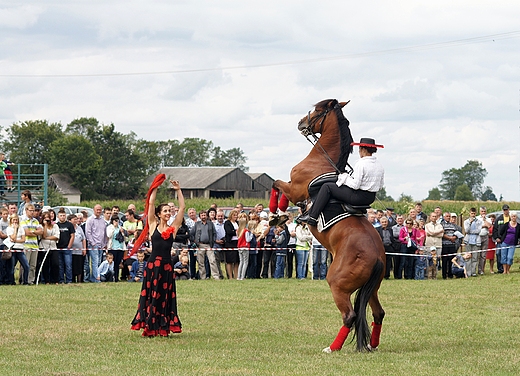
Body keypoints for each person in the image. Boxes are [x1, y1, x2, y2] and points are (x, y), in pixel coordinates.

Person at [131, 176, 185, 337]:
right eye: (166, 211)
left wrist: (178, 190)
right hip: (153, 265)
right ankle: (150, 324)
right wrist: (155, 187)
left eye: (169, 211)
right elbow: (151, 204)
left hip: (167, 267)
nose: (169, 213)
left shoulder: (173, 228)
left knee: (165, 297)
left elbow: (182, 209)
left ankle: (163, 326)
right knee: (151, 295)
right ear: (159, 214)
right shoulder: (153, 225)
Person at [300, 137, 384, 227]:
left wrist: (344, 178)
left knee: (327, 187)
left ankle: (312, 217)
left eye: (359, 149)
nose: (359, 152)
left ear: (363, 149)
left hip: (357, 197)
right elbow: (380, 186)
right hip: (370, 198)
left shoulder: (361, 163)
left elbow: (355, 185)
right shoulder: (379, 165)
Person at [191, 210, 218, 280]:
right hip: (200, 245)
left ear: (207, 216)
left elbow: (214, 233)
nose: (203, 216)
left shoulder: (210, 224)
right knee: (200, 262)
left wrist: (214, 240)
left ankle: (216, 276)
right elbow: (191, 233)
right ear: (200, 216)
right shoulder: (197, 224)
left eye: (204, 215)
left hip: (209, 245)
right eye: (202, 215)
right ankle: (202, 277)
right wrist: (195, 241)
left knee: (212, 261)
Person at [20, 204, 43, 284]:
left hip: (34, 245)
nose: (32, 212)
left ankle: (31, 280)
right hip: (26, 245)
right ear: (26, 210)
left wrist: (32, 232)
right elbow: (26, 233)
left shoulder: (36, 221)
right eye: (30, 210)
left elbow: (41, 232)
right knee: (25, 265)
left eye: (33, 210)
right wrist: (35, 232)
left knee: (33, 265)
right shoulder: (23, 221)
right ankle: (24, 280)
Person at [85, 204, 108, 282]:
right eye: (97, 209)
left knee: (98, 262)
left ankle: (93, 277)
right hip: (93, 245)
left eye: (100, 209)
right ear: (93, 210)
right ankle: (96, 279)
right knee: (95, 262)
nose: (99, 211)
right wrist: (93, 243)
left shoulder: (102, 220)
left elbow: (104, 232)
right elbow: (88, 232)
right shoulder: (90, 220)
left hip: (101, 245)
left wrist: (105, 243)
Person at [5, 214, 29, 284]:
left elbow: (23, 239)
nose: (15, 221)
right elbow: (12, 237)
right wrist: (15, 229)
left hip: (20, 249)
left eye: (16, 220)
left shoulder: (21, 228)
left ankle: (25, 281)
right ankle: (12, 281)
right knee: (12, 267)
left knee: (26, 266)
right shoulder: (9, 228)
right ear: (11, 220)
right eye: (14, 220)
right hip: (13, 249)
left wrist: (16, 240)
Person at [40, 211, 60, 284]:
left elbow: (57, 237)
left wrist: (47, 238)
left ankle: (56, 280)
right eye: (45, 218)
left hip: (53, 247)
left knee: (55, 264)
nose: (47, 220)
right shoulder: (41, 226)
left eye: (48, 218)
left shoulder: (55, 226)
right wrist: (45, 226)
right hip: (44, 247)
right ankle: (46, 281)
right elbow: (43, 235)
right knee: (45, 265)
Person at [463, 208, 482, 277]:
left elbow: (478, 231)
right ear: (469, 213)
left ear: (476, 213)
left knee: (475, 257)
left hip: (476, 241)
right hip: (468, 241)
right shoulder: (466, 222)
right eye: (472, 213)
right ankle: (468, 272)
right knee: (468, 257)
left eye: (474, 213)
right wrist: (470, 223)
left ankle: (473, 272)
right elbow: (467, 231)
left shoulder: (479, 222)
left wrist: (472, 231)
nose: (473, 215)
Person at [106, 215, 127, 282]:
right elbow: (109, 235)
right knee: (112, 263)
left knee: (117, 264)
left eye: (117, 220)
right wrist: (114, 228)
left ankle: (116, 277)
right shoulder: (110, 227)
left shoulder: (120, 227)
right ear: (112, 221)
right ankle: (111, 277)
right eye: (115, 220)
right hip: (112, 248)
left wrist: (122, 232)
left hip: (120, 248)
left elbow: (124, 238)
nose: (116, 222)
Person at [492, 204, 510, 274]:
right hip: (500, 240)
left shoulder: (511, 218)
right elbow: (495, 229)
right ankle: (500, 269)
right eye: (504, 210)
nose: (506, 211)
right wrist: (496, 238)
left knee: (507, 254)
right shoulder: (499, 219)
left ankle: (507, 269)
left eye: (507, 210)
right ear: (503, 210)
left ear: (509, 210)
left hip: (508, 239)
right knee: (498, 253)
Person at [69, 214, 86, 283]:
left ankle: (80, 280)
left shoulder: (79, 228)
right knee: (72, 266)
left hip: (79, 251)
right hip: (71, 251)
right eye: (75, 219)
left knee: (79, 266)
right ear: (70, 220)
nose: (76, 220)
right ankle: (72, 280)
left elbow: (83, 239)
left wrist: (84, 248)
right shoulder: (69, 227)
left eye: (77, 219)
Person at [223, 209, 240, 279]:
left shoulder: (238, 223)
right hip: (230, 243)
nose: (235, 217)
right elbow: (229, 232)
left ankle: (236, 276)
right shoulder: (227, 223)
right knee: (229, 261)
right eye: (234, 215)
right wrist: (236, 232)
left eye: (236, 215)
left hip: (237, 243)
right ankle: (230, 276)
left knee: (236, 261)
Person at [236, 216, 252, 280]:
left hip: (239, 247)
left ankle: (238, 276)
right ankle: (242, 276)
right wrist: (251, 235)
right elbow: (248, 239)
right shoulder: (246, 231)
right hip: (245, 247)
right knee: (245, 262)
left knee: (241, 262)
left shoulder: (238, 230)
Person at [477, 206, 492, 275]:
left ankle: (481, 270)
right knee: (477, 254)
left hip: (485, 237)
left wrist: (484, 220)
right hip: (478, 237)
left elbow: (489, 226)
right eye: (482, 211)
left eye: (484, 211)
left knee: (483, 255)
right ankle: (475, 269)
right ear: (480, 212)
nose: (483, 213)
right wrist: (483, 226)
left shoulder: (488, 219)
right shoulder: (477, 218)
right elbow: (477, 227)